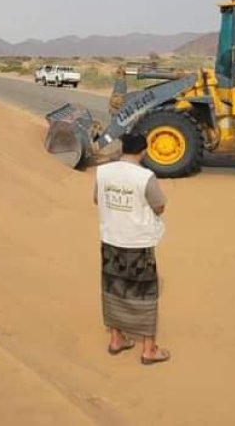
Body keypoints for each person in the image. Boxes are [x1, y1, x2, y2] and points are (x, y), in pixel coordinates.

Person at [93, 133, 170, 364]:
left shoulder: (104, 172)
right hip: (138, 243)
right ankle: (149, 349)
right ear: (143, 151)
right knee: (145, 294)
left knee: (113, 288)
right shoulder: (145, 176)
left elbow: (97, 199)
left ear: (123, 148)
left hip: (111, 240)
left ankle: (116, 339)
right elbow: (159, 206)